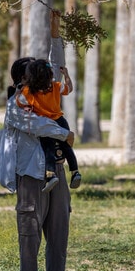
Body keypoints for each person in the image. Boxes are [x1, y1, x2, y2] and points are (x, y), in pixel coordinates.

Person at [3, 13, 79, 271]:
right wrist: (65, 134)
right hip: (31, 176)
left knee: (59, 233)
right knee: (30, 234)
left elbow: (57, 69)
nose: (43, 76)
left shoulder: (46, 95)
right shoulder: (16, 104)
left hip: (57, 172)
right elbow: (34, 126)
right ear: (23, 78)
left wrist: (56, 35)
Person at [16, 59, 81, 193]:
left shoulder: (28, 91)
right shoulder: (56, 86)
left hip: (46, 124)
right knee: (66, 147)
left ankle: (50, 175)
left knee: (48, 148)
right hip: (60, 120)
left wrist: (20, 90)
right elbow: (69, 89)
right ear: (50, 74)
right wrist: (66, 75)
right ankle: (75, 172)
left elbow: (19, 103)